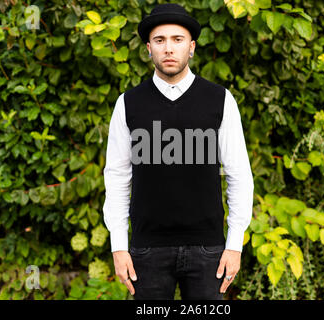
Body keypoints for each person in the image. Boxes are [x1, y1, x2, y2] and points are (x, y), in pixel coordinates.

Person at [103, 3, 254, 300]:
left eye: (177, 39)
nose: (169, 48)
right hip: (147, 250)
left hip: (208, 249)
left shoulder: (220, 100)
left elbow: (239, 175)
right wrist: (118, 246)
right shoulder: (128, 104)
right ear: (149, 48)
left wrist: (234, 244)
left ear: (192, 47)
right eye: (160, 41)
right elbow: (117, 177)